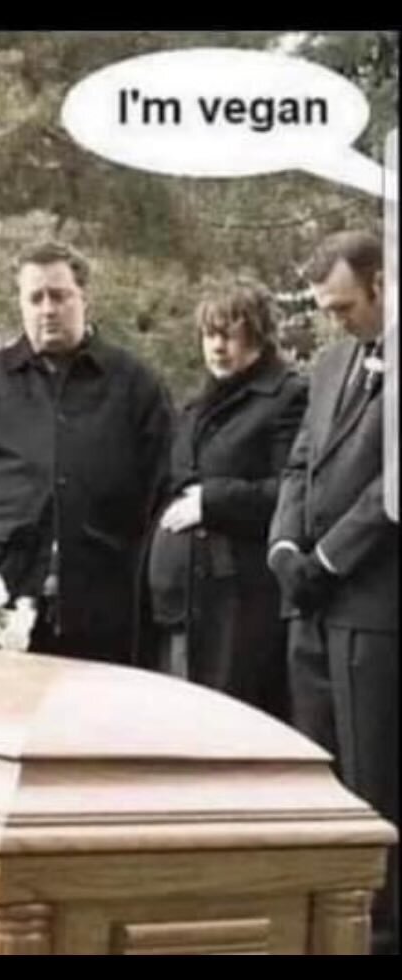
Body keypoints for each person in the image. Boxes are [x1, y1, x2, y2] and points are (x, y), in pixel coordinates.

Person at [0, 241, 172, 664]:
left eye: (59, 296)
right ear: (20, 304)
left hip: (105, 604)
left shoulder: (134, 385)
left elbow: (163, 488)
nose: (47, 309)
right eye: (35, 298)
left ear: (84, 297)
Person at [268, 230, 398, 956]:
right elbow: (299, 464)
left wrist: (327, 557)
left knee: (372, 776)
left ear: (381, 284)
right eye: (324, 308)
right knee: (315, 770)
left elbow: (392, 486)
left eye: (343, 307)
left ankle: (377, 930)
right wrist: (285, 547)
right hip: (309, 606)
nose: (334, 321)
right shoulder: (328, 365)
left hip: (374, 607)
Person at [147, 279, 307, 717]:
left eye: (230, 335)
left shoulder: (288, 398)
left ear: (259, 335)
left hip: (237, 609)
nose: (217, 347)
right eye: (209, 334)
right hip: (180, 605)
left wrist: (211, 502)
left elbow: (294, 492)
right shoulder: (197, 405)